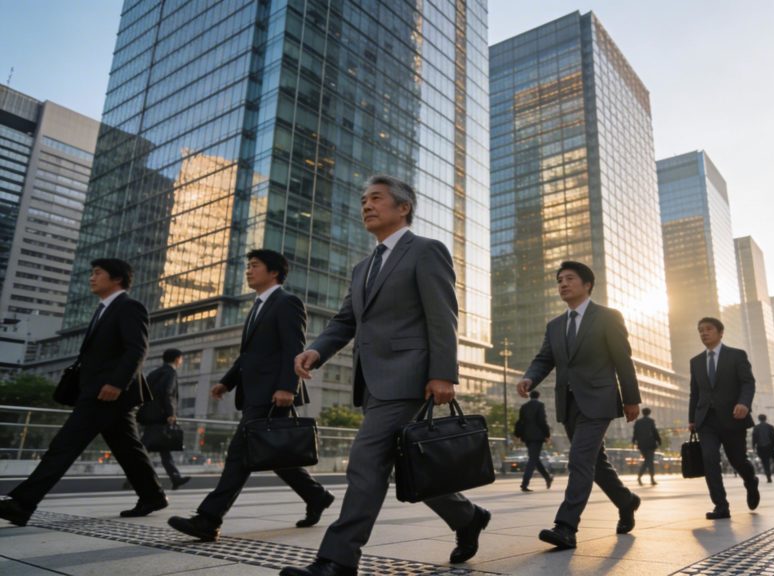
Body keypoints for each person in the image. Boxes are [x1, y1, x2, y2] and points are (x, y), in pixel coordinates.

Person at [282, 176, 490, 576]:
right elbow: (346, 320)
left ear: (403, 207)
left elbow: (443, 316)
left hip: (411, 378)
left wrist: (443, 374)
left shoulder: (426, 251)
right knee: (404, 465)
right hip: (374, 383)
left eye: (376, 198)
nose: (366, 205)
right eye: (363, 200)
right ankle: (467, 517)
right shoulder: (363, 267)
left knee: (364, 461)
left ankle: (337, 560)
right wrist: (316, 349)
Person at [168, 250, 334, 542]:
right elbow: (250, 355)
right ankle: (316, 496)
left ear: (273, 272)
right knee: (274, 455)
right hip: (257, 392)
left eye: (254, 266)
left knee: (240, 456)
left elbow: (292, 347)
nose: (248, 271)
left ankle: (208, 519)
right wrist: (227, 382)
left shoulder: (287, 302)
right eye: (248, 266)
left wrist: (287, 386)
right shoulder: (258, 306)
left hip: (274, 394)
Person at [0, 259, 167, 526]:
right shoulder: (102, 310)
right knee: (127, 448)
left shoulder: (129, 307)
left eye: (97, 273)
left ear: (117, 279)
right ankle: (153, 495)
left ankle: (22, 503)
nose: (91, 278)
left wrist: (115, 383)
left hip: (107, 392)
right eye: (91, 273)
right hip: (99, 391)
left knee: (64, 446)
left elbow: (137, 348)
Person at [517, 261, 643, 550]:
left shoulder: (608, 317)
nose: (562, 284)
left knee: (579, 460)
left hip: (599, 400)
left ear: (587, 284)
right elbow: (544, 359)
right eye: (559, 279)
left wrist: (631, 398)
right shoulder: (555, 325)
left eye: (569, 278)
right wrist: (529, 378)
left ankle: (566, 527)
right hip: (569, 403)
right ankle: (627, 501)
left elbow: (623, 359)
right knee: (595, 464)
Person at [688, 317, 760, 520]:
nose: (704, 333)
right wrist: (692, 418)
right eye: (700, 330)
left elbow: (748, 383)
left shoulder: (736, 356)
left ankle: (750, 480)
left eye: (708, 329)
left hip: (732, 417)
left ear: (720, 332)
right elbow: (695, 392)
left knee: (737, 460)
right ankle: (721, 505)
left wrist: (744, 403)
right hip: (706, 420)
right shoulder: (696, 362)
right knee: (709, 459)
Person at [144, 348, 191, 489]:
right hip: (162, 416)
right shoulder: (171, 373)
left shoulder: (153, 373)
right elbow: (168, 393)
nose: (181, 361)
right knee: (142, 449)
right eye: (181, 359)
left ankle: (175, 478)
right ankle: (133, 478)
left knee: (163, 447)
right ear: (177, 359)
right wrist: (171, 413)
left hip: (149, 415)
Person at [515, 389, 553, 492]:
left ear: (530, 396)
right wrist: (547, 434)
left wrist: (518, 435)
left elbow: (520, 421)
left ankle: (547, 477)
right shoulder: (540, 405)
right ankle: (524, 484)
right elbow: (542, 420)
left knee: (534, 458)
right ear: (538, 396)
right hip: (537, 437)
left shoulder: (524, 406)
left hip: (527, 437)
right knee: (533, 459)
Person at [632, 407, 662, 486]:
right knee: (649, 461)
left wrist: (634, 441)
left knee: (647, 461)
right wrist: (659, 440)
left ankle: (641, 477)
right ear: (649, 413)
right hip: (650, 444)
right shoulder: (651, 421)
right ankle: (649, 478)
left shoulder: (638, 422)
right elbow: (655, 432)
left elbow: (635, 433)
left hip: (641, 445)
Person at [751, 414, 774, 483]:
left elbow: (754, 438)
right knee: (771, 458)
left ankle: (768, 474)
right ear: (765, 419)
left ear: (759, 419)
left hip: (761, 447)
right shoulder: (770, 427)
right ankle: (772, 469)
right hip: (769, 446)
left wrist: (753, 446)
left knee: (765, 461)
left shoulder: (756, 428)